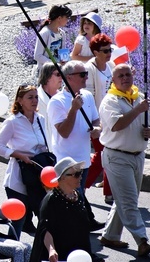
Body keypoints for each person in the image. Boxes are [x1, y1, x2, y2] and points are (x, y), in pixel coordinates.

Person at [98, 63, 150, 257]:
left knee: (124, 198)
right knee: (130, 201)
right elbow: (117, 125)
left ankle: (110, 235)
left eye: (128, 75)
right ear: (113, 81)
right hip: (117, 156)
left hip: (138, 155)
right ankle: (142, 240)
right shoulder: (110, 101)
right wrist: (139, 110)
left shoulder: (140, 98)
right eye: (120, 76)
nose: (125, 78)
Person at [0, 84, 50, 237]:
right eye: (30, 97)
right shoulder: (13, 122)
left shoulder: (41, 119)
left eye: (36, 97)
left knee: (45, 218)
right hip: (18, 179)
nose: (34, 100)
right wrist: (18, 154)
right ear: (20, 100)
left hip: (38, 177)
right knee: (18, 220)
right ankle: (14, 252)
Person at [47, 61, 101, 210]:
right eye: (82, 74)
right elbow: (64, 132)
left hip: (84, 159)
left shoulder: (88, 96)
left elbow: (96, 119)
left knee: (79, 196)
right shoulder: (56, 102)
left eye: (86, 74)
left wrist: (98, 128)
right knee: (69, 200)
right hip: (66, 162)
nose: (86, 77)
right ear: (69, 77)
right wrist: (73, 109)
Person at [30, 158, 102, 262]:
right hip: (61, 255)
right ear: (63, 178)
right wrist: (51, 250)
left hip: (80, 252)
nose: (81, 177)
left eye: (80, 173)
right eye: (76, 174)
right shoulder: (51, 200)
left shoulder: (79, 196)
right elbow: (45, 229)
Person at [84, 33, 114, 203]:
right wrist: (95, 122)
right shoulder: (89, 69)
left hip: (110, 117)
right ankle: (82, 186)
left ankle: (109, 192)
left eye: (110, 49)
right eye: (104, 51)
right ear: (95, 52)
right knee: (103, 155)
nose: (108, 53)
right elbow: (87, 97)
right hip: (97, 120)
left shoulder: (109, 66)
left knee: (109, 154)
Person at [33, 4, 72, 73]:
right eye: (67, 18)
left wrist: (65, 62)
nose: (68, 20)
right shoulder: (45, 33)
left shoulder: (62, 33)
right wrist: (55, 64)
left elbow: (63, 53)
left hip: (57, 71)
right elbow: (37, 56)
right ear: (59, 18)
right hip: (45, 72)